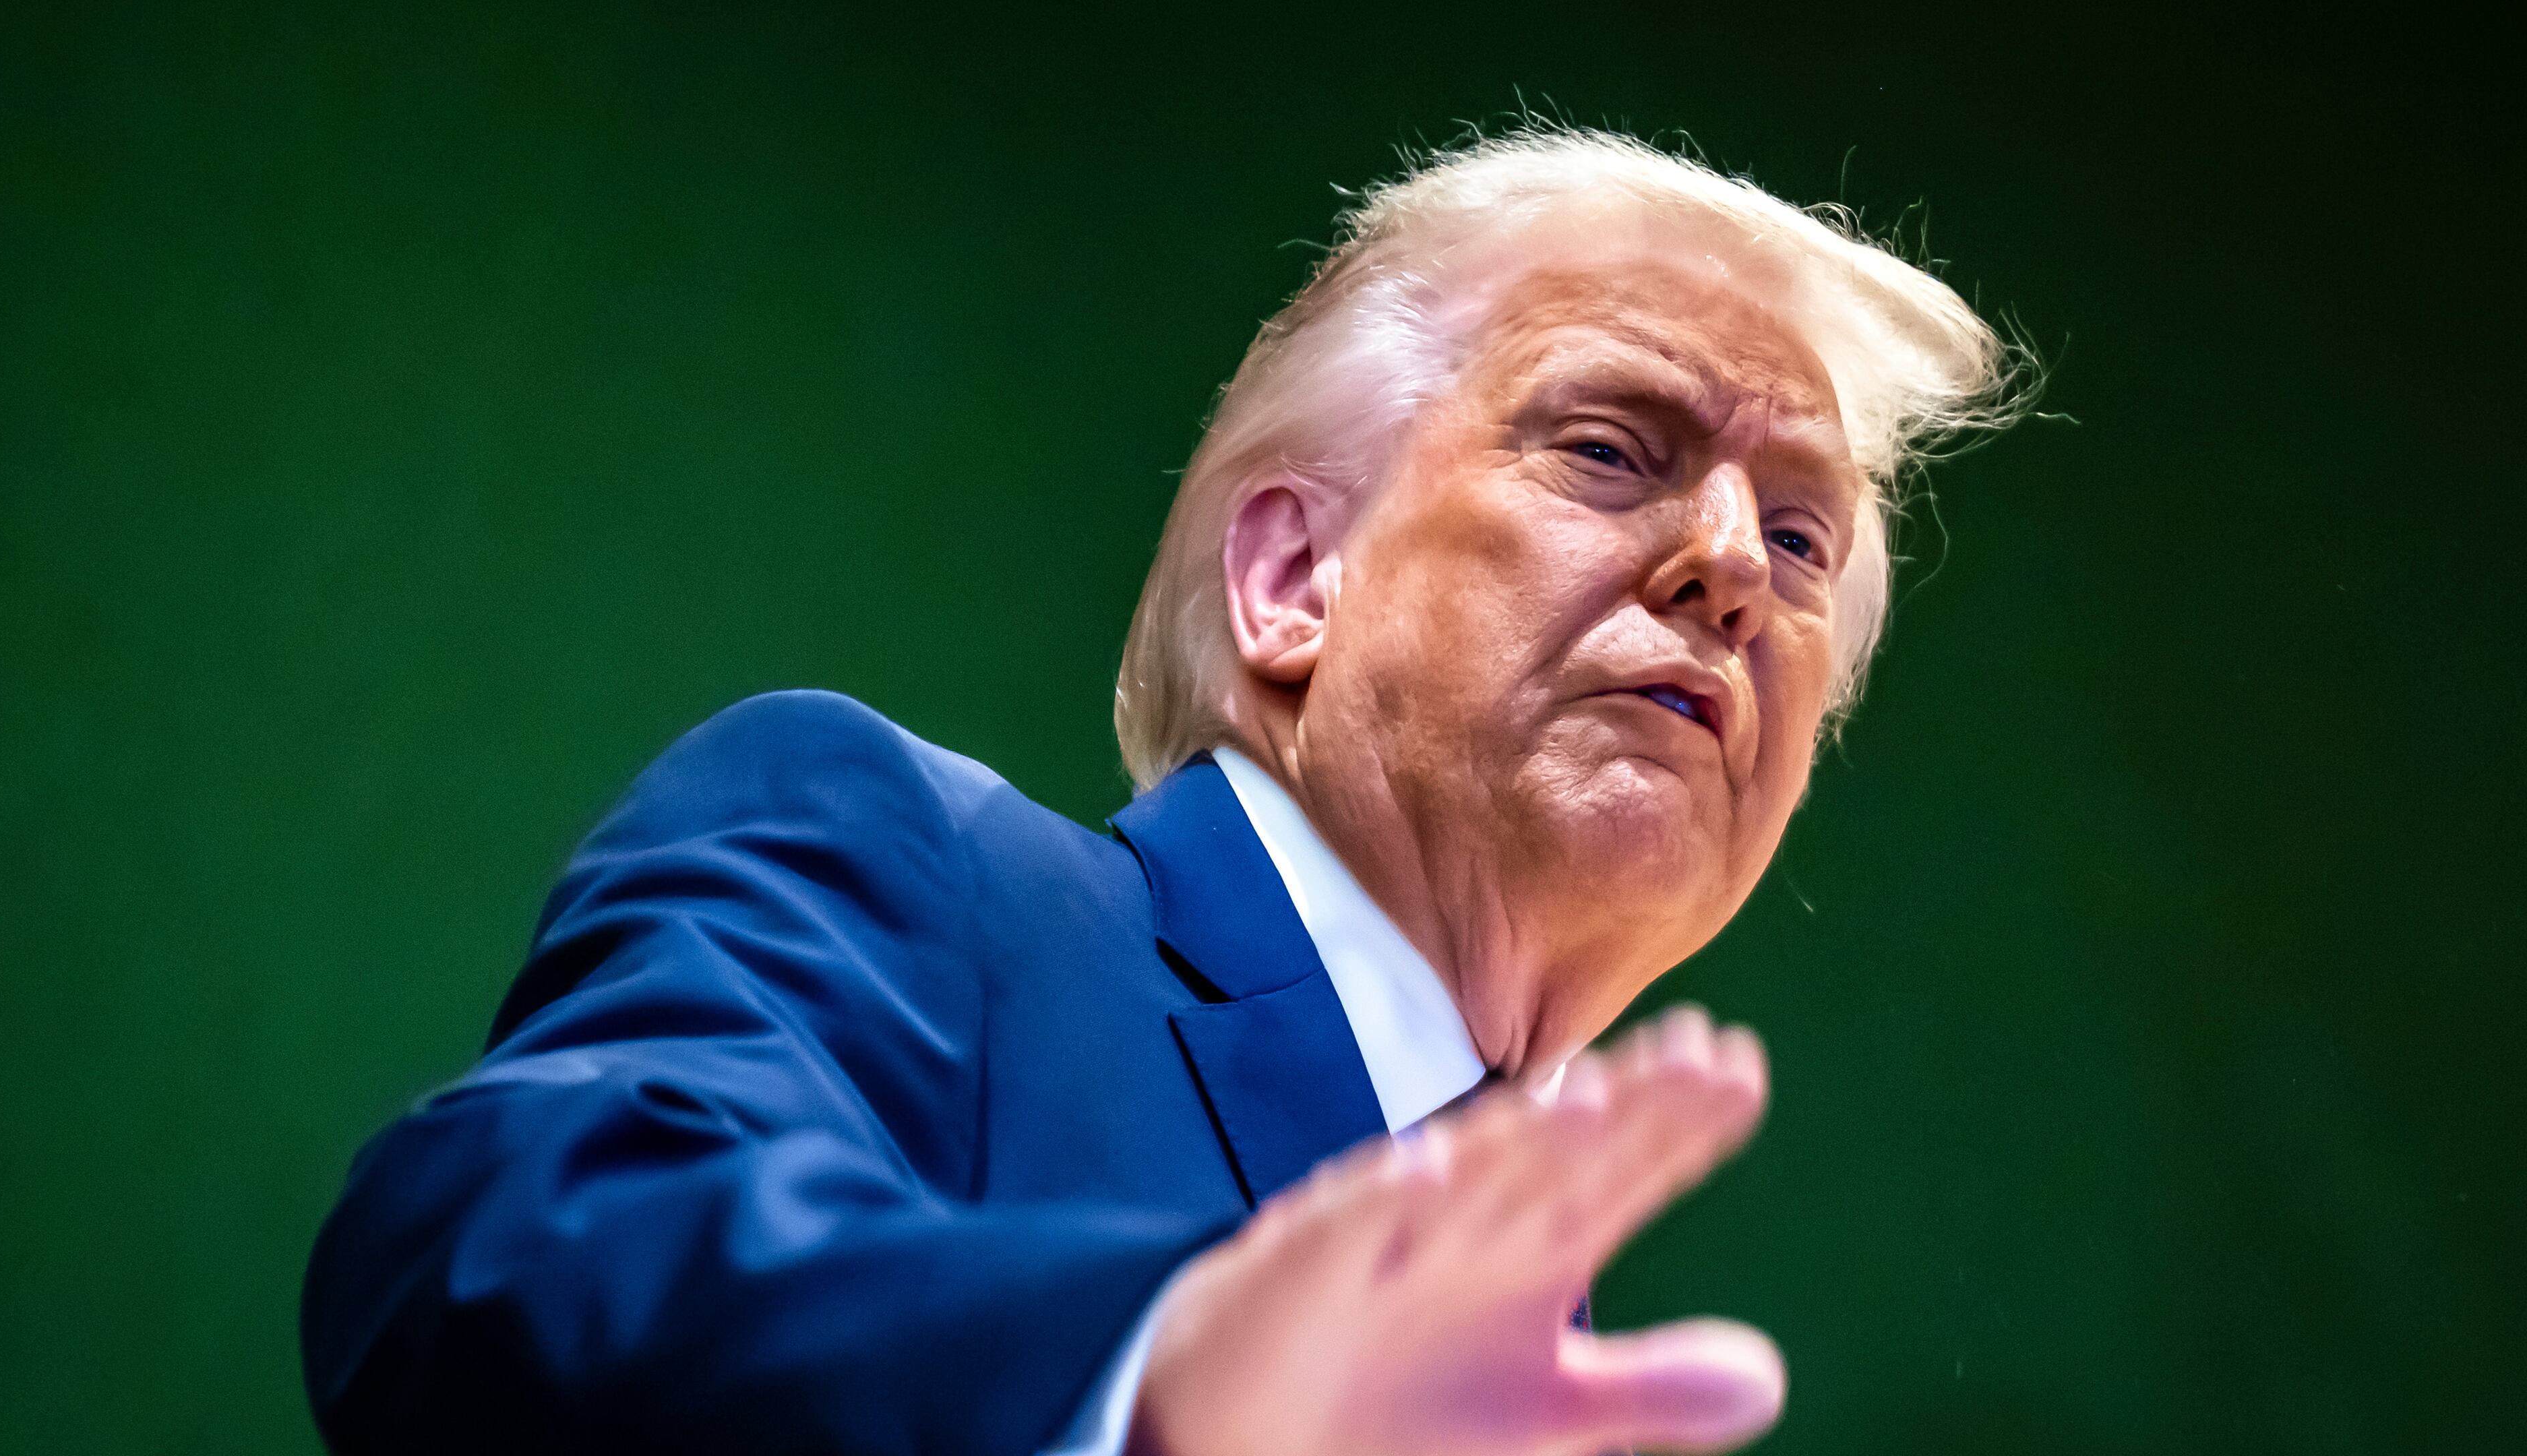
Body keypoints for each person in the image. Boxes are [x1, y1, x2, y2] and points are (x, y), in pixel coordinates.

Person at [301, 125, 2023, 1456]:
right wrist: (1153, 1379)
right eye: (1608, 448)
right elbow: (498, 1262)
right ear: (1294, 579)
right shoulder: (920, 867)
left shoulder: (1554, 1355)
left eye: (1801, 538)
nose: (1732, 567)